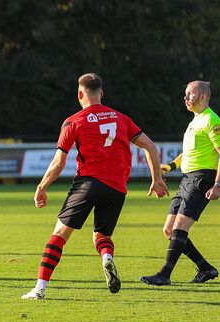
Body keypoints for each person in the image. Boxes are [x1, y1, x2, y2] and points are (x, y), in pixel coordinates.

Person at [22, 73, 168, 300]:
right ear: (101, 93)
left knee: (59, 235)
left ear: (80, 94)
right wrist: (157, 179)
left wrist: (42, 186)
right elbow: (149, 146)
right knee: (101, 235)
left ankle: (40, 288)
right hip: (117, 189)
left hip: (88, 184)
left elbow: (59, 162)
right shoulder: (121, 118)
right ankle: (107, 258)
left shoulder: (74, 121)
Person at [140, 81, 219, 285]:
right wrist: (168, 167)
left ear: (202, 96)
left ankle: (164, 275)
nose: (185, 98)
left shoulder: (212, 120)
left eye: (189, 94)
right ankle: (205, 268)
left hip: (202, 179)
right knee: (169, 230)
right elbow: (187, 153)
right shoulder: (195, 121)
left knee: (180, 227)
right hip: (187, 180)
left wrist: (217, 185)